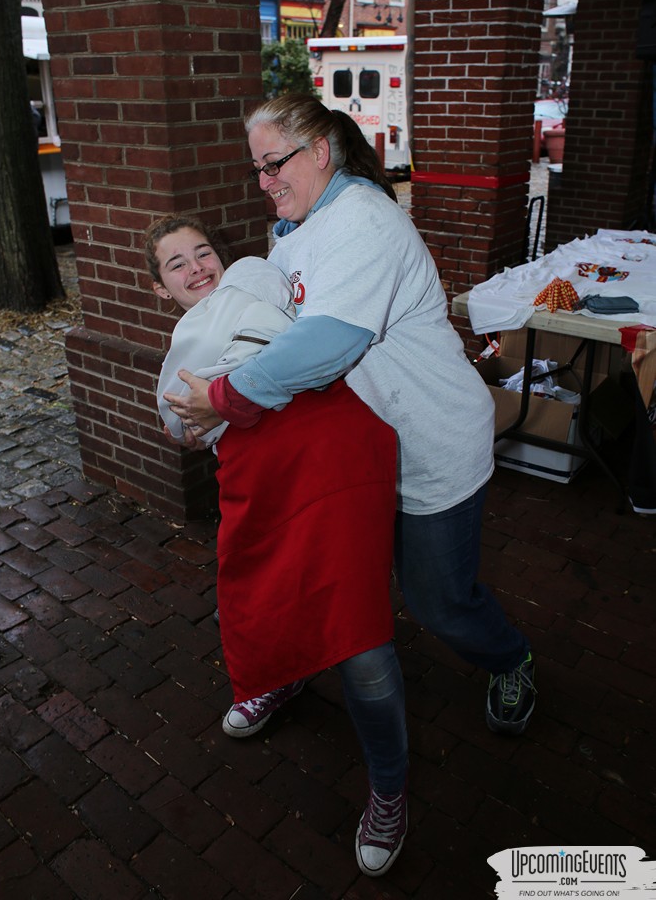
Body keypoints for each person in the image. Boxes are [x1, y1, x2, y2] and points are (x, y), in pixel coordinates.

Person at [164, 94, 537, 749]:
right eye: (255, 168)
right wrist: (205, 413)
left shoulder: (363, 220)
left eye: (273, 162)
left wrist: (222, 400)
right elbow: (268, 339)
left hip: (430, 445)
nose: (263, 181)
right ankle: (292, 669)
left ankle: (510, 660)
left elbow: (324, 345)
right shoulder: (291, 234)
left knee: (437, 603)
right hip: (358, 456)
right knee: (328, 591)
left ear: (319, 151)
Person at [146, 214, 409, 877]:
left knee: (360, 641)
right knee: (260, 595)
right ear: (159, 290)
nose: (195, 267)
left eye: (202, 252)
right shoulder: (187, 340)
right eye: (176, 264)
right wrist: (216, 402)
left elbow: (291, 358)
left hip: (332, 464)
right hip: (260, 486)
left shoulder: (259, 288)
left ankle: (387, 790)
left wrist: (229, 395)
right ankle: (281, 677)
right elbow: (180, 421)